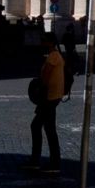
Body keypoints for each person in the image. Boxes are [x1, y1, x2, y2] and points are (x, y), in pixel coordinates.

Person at [27, 32, 68, 173]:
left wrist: (38, 90)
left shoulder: (53, 56)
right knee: (46, 128)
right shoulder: (55, 55)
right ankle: (46, 161)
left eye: (44, 40)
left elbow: (45, 77)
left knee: (39, 127)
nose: (42, 43)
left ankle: (43, 162)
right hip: (52, 97)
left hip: (49, 97)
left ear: (50, 42)